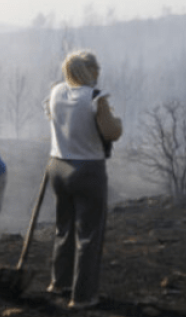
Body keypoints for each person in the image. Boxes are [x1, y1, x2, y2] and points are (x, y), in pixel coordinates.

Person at [43, 50, 123, 309]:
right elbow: (111, 132)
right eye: (96, 71)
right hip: (87, 169)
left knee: (63, 228)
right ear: (91, 72)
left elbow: (53, 118)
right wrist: (117, 119)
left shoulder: (55, 92)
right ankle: (83, 296)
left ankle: (60, 283)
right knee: (89, 235)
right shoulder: (94, 98)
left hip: (57, 166)